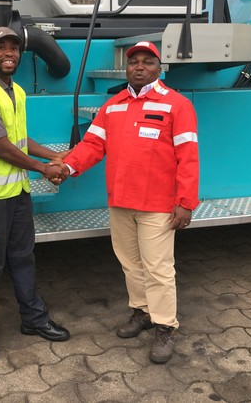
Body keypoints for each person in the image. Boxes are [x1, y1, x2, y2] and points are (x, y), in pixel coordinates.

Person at [56, 40, 199, 364]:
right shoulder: (113, 106)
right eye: (134, 61)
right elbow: (92, 145)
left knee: (158, 268)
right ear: (126, 68)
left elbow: (188, 157)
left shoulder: (176, 105)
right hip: (121, 202)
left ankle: (165, 327)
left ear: (159, 68)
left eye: (148, 61)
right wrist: (66, 167)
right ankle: (142, 312)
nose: (139, 67)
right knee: (131, 264)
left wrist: (185, 201)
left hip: (158, 205)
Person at [0, 26, 70, 362]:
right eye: (0, 47)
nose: (9, 53)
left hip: (17, 192)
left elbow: (20, 140)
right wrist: (43, 169)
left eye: (14, 47)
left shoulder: (16, 91)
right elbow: (2, 148)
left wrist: (52, 155)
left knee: (23, 257)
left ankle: (33, 319)